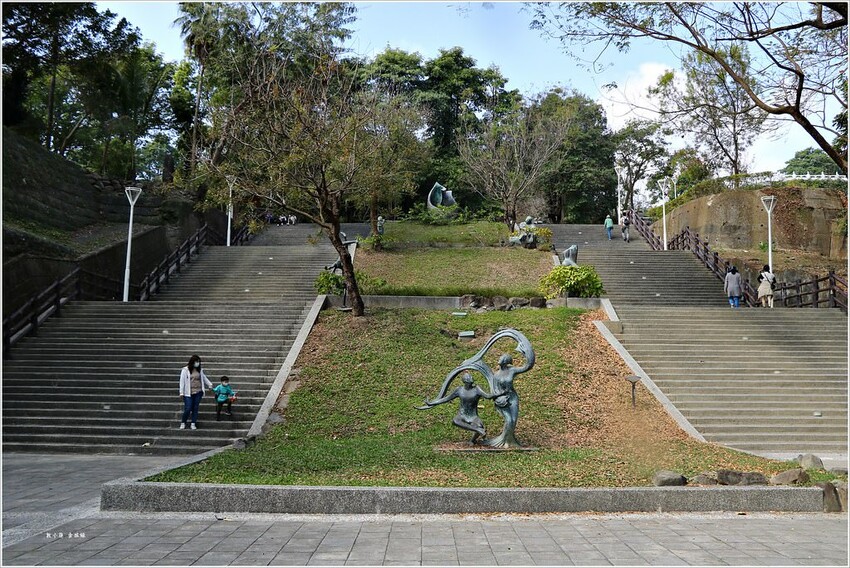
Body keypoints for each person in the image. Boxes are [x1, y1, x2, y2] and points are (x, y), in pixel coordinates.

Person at [417, 372, 496, 445]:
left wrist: (499, 393)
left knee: (480, 426)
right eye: (469, 378)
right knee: (455, 421)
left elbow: (488, 396)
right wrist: (432, 403)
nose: (471, 379)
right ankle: (478, 430)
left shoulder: (477, 389)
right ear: (464, 381)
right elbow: (446, 398)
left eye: (471, 377)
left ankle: (472, 440)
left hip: (473, 416)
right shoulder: (459, 390)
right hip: (462, 415)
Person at [179, 354, 213, 430]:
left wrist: (210, 385)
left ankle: (193, 423)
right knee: (188, 408)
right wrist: (181, 392)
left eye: (198, 362)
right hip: (188, 392)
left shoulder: (199, 370)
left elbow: (204, 378)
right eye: (196, 362)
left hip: (198, 391)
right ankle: (183, 422)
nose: (198, 363)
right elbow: (182, 381)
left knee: (195, 407)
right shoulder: (185, 370)